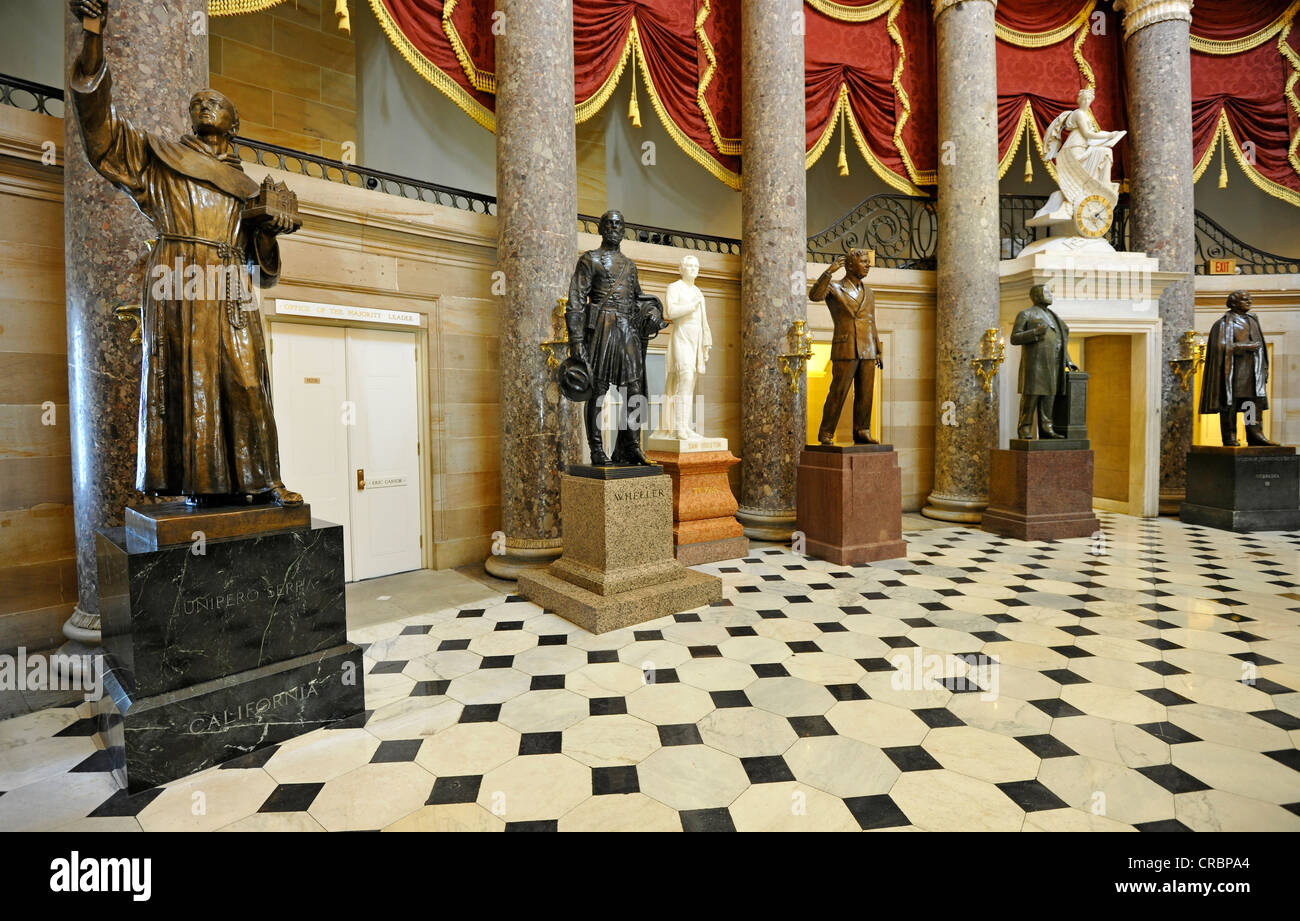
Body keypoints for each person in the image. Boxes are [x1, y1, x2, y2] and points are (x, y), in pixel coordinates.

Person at [68, 0, 302, 506]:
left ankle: (261, 479)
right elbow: (102, 136)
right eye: (197, 101)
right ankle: (178, 485)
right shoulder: (161, 159)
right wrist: (92, 38)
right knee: (180, 375)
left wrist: (268, 230)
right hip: (177, 272)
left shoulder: (246, 186)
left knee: (244, 377)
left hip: (230, 285)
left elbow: (262, 272)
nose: (203, 103)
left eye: (214, 101)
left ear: (233, 123)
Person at [565, 211, 665, 465]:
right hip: (601, 329)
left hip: (626, 330)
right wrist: (576, 341)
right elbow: (576, 300)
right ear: (601, 229)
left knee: (635, 392)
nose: (613, 227)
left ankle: (629, 445)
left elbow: (639, 299)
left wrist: (652, 313)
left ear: (623, 230)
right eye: (609, 224)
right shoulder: (591, 260)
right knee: (598, 390)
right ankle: (597, 449)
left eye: (618, 224)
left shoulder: (630, 266)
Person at [809, 248, 882, 446]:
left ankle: (862, 430)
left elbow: (871, 321)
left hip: (867, 348)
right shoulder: (834, 288)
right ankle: (826, 433)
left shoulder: (869, 292)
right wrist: (828, 272)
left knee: (865, 394)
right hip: (846, 347)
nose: (868, 265)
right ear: (850, 265)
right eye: (864, 262)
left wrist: (877, 349)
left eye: (868, 261)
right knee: (838, 392)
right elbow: (814, 295)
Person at [1199, 290, 1276, 446]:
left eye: (1250, 299)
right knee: (1230, 404)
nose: (1249, 301)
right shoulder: (1223, 323)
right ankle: (1229, 436)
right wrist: (1244, 347)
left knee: (1252, 404)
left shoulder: (1253, 320)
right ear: (1233, 303)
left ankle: (1254, 433)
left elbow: (1262, 349)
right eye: (1244, 299)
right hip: (1232, 372)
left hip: (1253, 372)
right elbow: (1219, 347)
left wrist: (1264, 369)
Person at [655, 255, 711, 440]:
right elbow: (670, 312)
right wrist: (692, 305)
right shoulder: (675, 287)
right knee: (684, 377)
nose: (694, 269)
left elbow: (703, 320)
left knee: (690, 383)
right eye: (690, 266)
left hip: (696, 337)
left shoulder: (698, 291)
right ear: (682, 269)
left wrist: (705, 342)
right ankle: (678, 428)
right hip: (682, 336)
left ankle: (685, 426)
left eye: (696, 266)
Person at [1010, 284, 1077, 440]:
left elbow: (1060, 341)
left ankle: (1047, 428)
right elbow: (1015, 338)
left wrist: (1068, 360)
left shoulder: (1054, 317)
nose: (1050, 294)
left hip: (1054, 365)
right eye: (1047, 292)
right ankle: (1024, 428)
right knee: (1031, 397)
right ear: (1037, 295)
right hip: (1035, 365)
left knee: (1049, 397)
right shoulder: (1026, 314)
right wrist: (1035, 333)